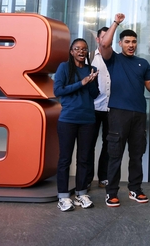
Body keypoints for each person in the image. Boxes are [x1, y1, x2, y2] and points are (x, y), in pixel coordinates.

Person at [100, 13, 150, 208]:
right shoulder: (113, 59)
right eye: (127, 42)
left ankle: (135, 189)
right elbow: (104, 44)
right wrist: (115, 23)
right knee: (115, 154)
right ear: (120, 44)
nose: (131, 45)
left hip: (139, 113)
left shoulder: (143, 63)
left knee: (137, 154)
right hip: (118, 113)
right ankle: (111, 193)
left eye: (134, 41)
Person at [53, 38, 99, 212]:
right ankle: (63, 197)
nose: (81, 51)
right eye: (77, 48)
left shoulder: (90, 69)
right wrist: (82, 83)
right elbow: (58, 91)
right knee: (65, 159)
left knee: (84, 158)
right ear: (71, 51)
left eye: (84, 49)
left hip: (88, 119)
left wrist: (92, 81)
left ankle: (81, 193)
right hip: (68, 119)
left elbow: (94, 94)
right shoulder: (64, 67)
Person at [87, 26, 111, 189]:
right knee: (89, 144)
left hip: (111, 108)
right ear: (98, 40)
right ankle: (87, 179)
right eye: (103, 37)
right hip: (93, 107)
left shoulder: (115, 58)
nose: (106, 40)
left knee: (108, 145)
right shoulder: (89, 58)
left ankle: (104, 177)